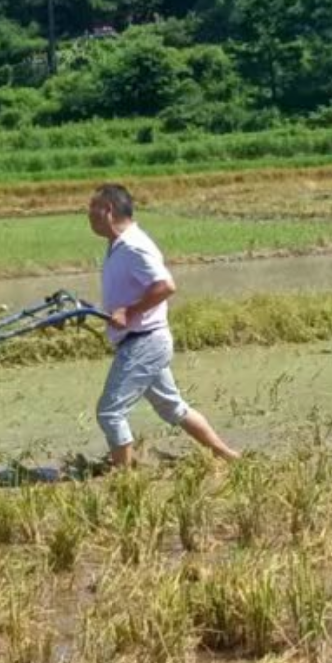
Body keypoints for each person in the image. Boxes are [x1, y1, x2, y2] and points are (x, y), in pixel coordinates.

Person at [88, 183, 239, 468]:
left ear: (108, 210)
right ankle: (228, 456)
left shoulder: (134, 245)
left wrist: (129, 312)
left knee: (110, 412)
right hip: (139, 338)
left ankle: (124, 479)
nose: (88, 214)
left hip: (144, 341)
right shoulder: (117, 245)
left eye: (92, 208)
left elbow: (166, 285)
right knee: (173, 407)